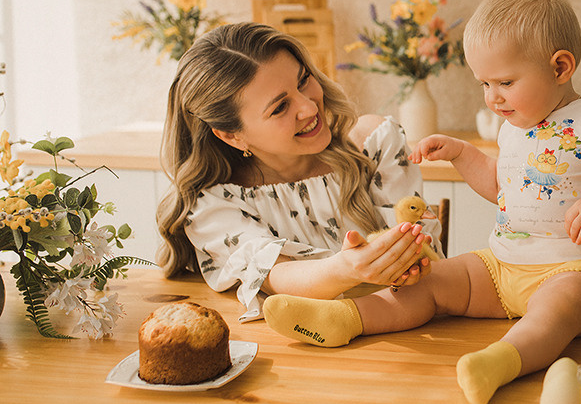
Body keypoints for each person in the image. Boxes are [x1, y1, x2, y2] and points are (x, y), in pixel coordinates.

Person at [262, 0, 581, 404]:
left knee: (555, 312)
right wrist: (460, 154)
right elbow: (502, 188)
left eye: (505, 82)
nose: (493, 97)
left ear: (560, 67)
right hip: (501, 267)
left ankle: (499, 362)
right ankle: (342, 318)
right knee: (431, 280)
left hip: (580, 272)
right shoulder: (515, 125)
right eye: (484, 84)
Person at [156, 22, 441, 322]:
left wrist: (408, 259)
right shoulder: (215, 204)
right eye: (280, 108)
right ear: (232, 135)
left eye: (303, 80)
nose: (308, 107)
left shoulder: (374, 144)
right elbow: (275, 274)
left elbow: (421, 243)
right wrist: (347, 268)